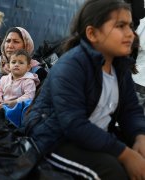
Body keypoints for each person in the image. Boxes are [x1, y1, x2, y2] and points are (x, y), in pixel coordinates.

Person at [25, 0, 145, 179]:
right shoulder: (71, 67)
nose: (131, 34)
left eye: (130, 26)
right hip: (54, 139)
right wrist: (125, 154)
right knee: (112, 171)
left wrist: (140, 136)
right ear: (92, 33)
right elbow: (74, 124)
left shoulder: (120, 67)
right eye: (120, 26)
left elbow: (131, 110)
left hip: (94, 135)